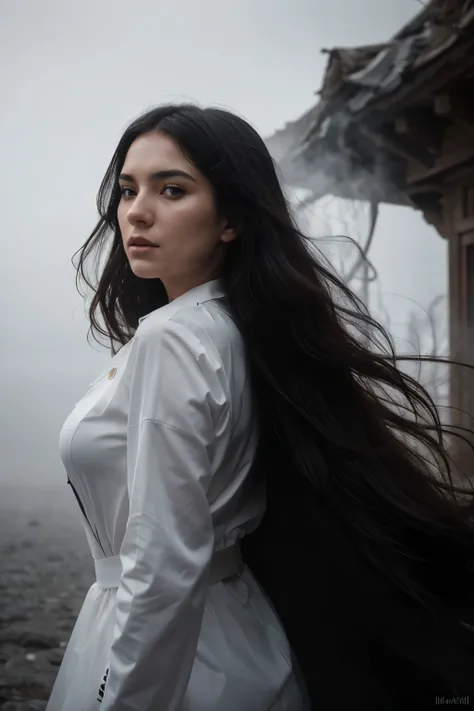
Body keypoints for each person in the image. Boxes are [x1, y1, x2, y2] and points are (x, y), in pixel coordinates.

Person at [46, 103, 474, 711]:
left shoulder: (175, 339)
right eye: (127, 188)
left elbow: (164, 563)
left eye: (172, 190)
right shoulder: (232, 325)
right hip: (238, 635)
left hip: (176, 655)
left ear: (231, 219)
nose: (136, 211)